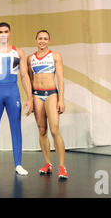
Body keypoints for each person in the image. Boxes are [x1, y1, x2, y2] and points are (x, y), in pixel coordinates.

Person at [0, 23, 34, 175]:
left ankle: (18, 164)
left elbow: (24, 76)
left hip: (12, 91)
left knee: (16, 128)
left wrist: (29, 98)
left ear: (10, 33)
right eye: (0, 32)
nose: (3, 34)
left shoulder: (19, 52)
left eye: (6, 31)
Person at [27, 30, 68, 179]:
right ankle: (48, 164)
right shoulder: (30, 58)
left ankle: (62, 167)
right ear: (36, 40)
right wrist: (31, 99)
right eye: (40, 38)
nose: (42, 41)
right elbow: (30, 81)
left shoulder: (55, 56)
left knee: (55, 129)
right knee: (42, 130)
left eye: (45, 39)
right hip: (37, 95)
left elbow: (61, 78)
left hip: (51, 94)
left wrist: (61, 99)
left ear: (49, 41)